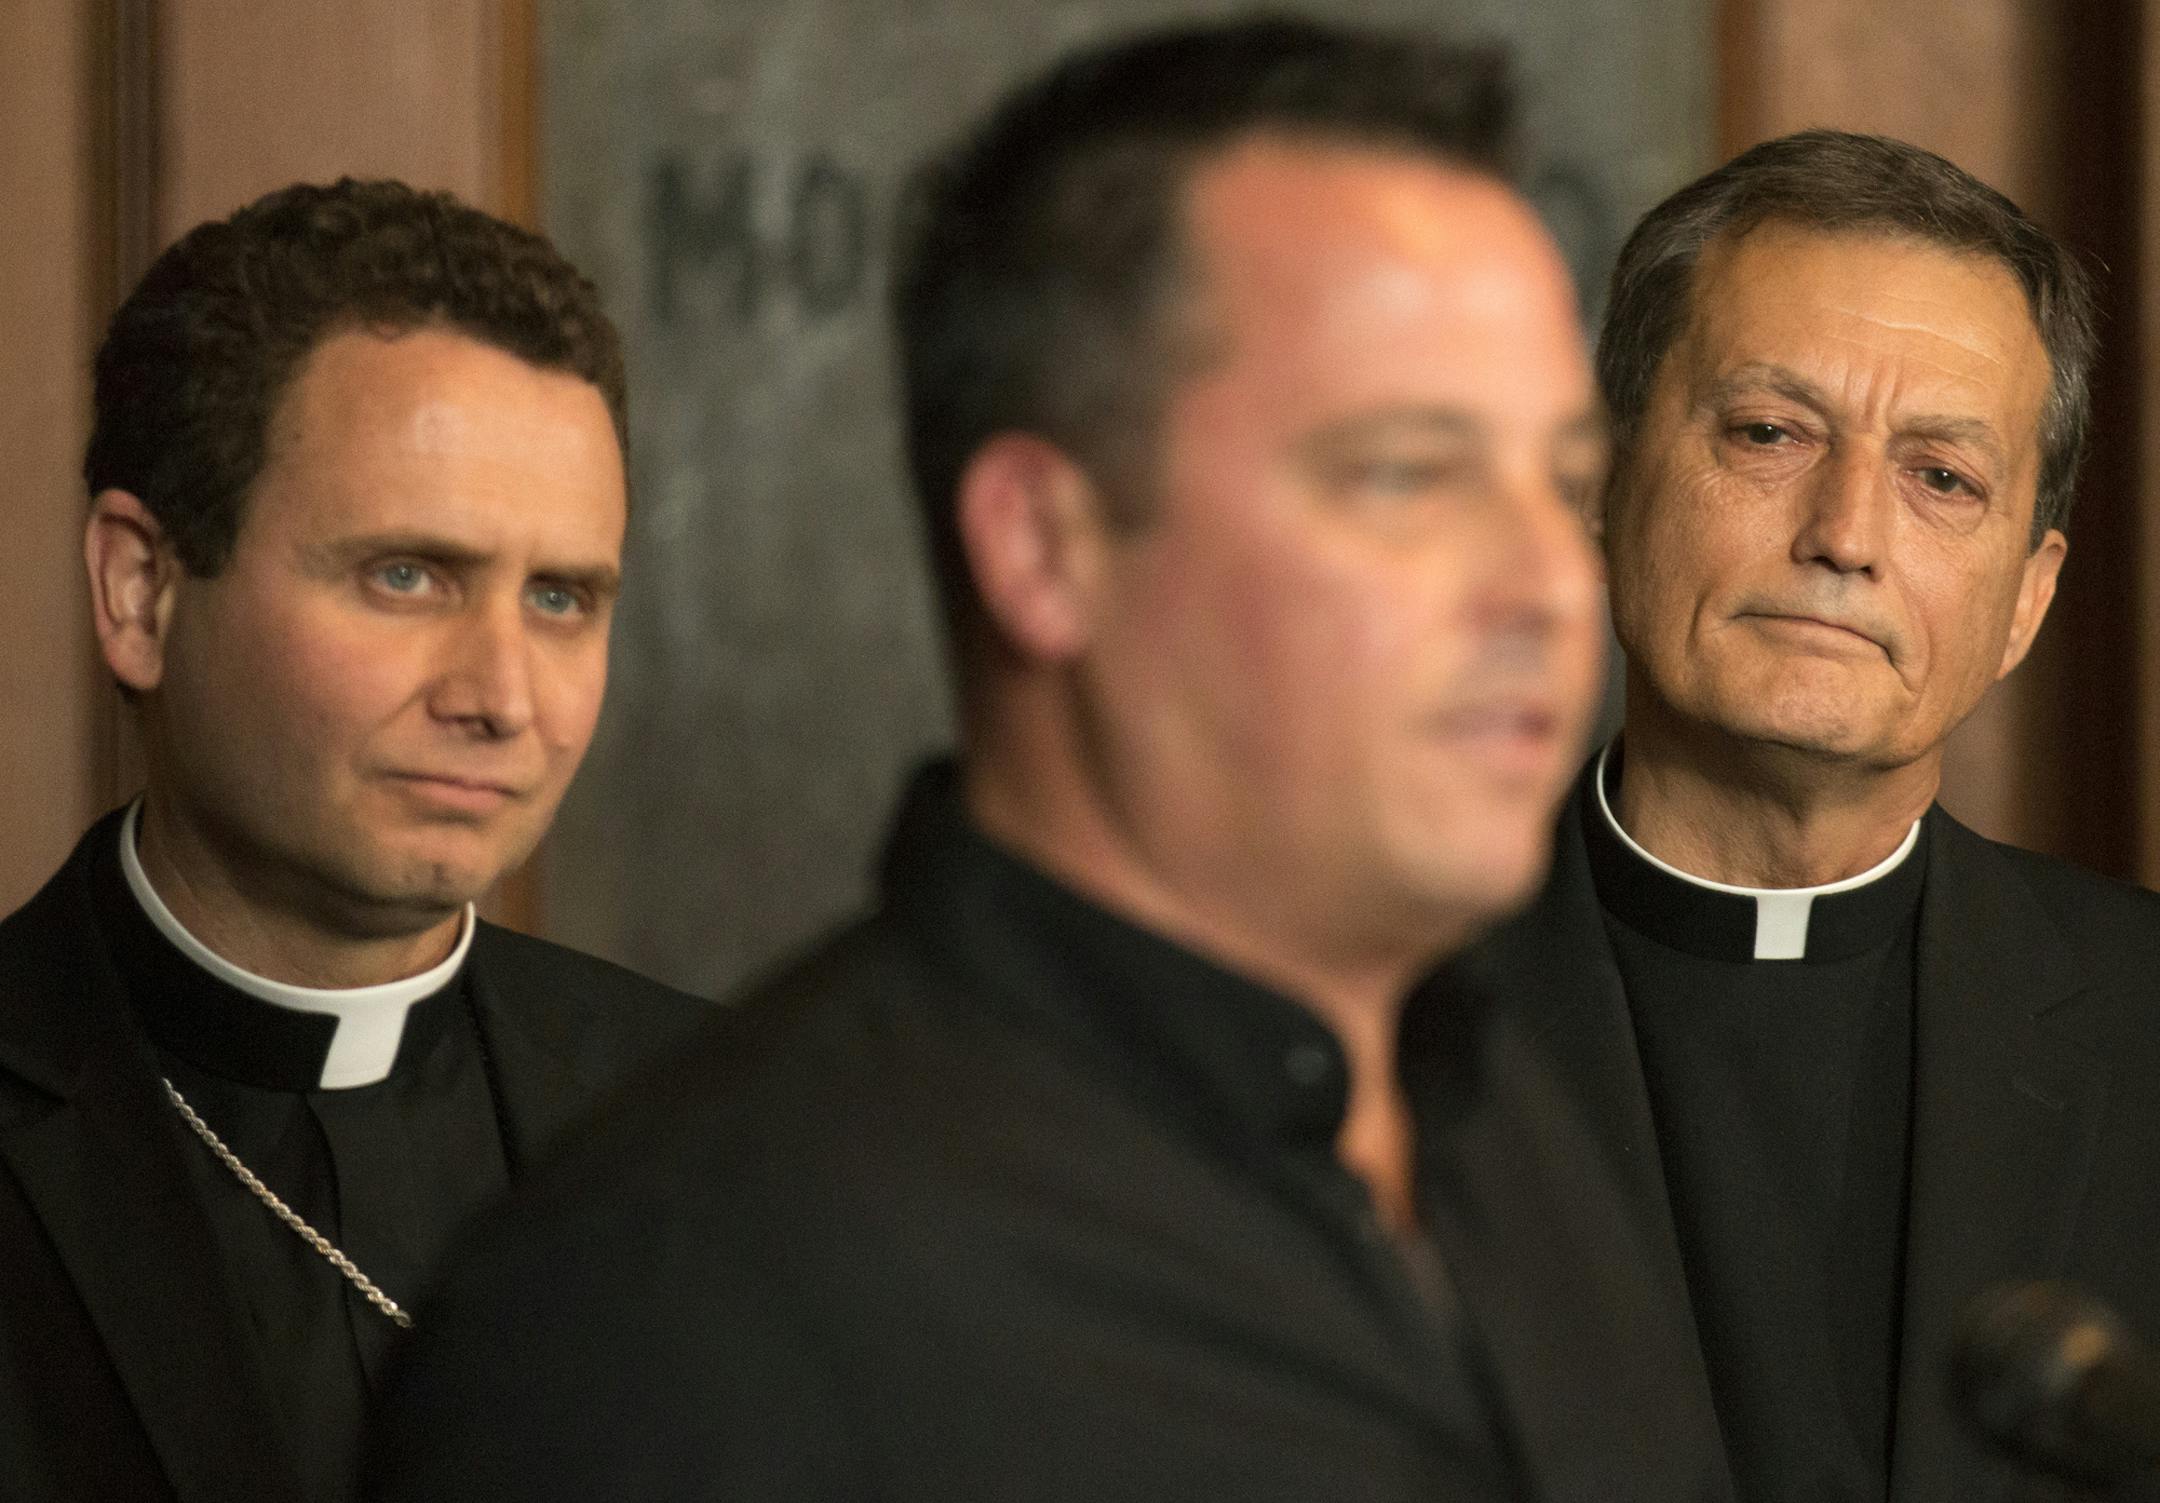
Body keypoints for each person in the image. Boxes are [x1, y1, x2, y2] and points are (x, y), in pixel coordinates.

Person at [366, 18, 1731, 1503]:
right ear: (1044, 546)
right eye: (1407, 474)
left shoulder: (1519, 1123)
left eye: (1569, 481)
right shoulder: (659, 1317)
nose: (1547, 584)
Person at [1429, 129, 2160, 1501]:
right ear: (1598, 478)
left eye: (1942, 476)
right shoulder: (1341, 1013)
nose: (1845, 533)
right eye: (1769, 433)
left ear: (2028, 598)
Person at [0, 178, 706, 1503]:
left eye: (561, 597)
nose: (501, 696)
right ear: (141, 590)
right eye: (407, 576)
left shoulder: (724, 1127)